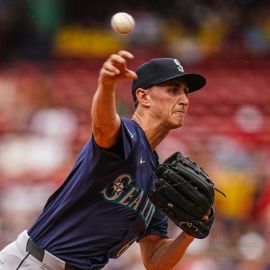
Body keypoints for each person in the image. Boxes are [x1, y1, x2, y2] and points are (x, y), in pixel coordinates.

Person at [0, 50, 207, 270]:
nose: (184, 100)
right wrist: (106, 86)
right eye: (173, 90)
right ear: (144, 96)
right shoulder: (129, 135)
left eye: (185, 92)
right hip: (35, 264)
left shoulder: (158, 180)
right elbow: (103, 126)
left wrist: (188, 233)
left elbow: (155, 262)